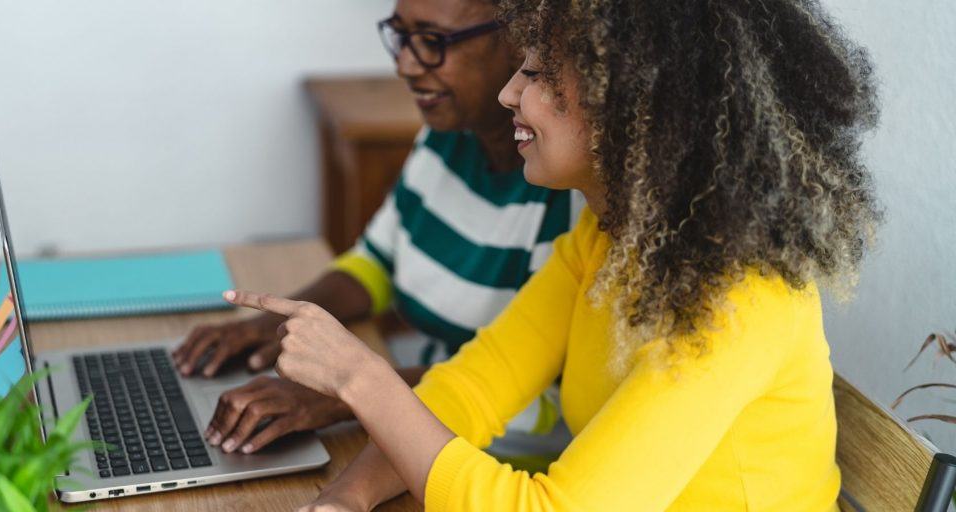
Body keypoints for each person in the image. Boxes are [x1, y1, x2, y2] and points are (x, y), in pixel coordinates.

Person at [223, 0, 882, 509]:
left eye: (536, 72)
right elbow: (468, 389)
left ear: (628, 105)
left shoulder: (740, 301)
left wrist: (357, 378)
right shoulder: (604, 241)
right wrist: (348, 496)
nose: (511, 93)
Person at [172, 0, 579, 456]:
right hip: (418, 420)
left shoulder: (569, 197)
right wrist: (271, 325)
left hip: (498, 458)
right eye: (400, 35)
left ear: (521, 42)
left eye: (432, 41)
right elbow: (378, 261)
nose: (405, 64)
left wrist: (345, 393)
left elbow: (534, 402)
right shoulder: (448, 136)